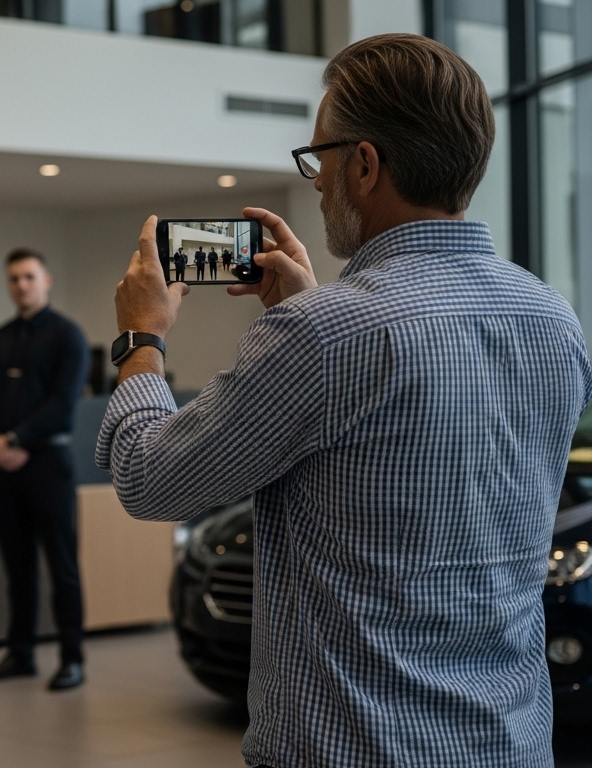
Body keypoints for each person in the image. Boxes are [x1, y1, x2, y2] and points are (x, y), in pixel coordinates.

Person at [98, 34, 590, 767]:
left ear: (364, 164)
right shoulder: (553, 318)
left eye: (319, 159)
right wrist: (308, 312)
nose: (318, 182)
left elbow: (148, 478)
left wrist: (141, 338)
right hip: (505, 742)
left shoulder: (326, 335)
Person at [0, 248, 90, 691]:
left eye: (28, 277)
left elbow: (62, 404)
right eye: (14, 279)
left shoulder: (67, 337)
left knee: (63, 567)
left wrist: (15, 440)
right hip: (5, 470)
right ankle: (20, 654)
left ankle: (72, 658)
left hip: (49, 465)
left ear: (46, 280)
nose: (21, 285)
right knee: (18, 568)